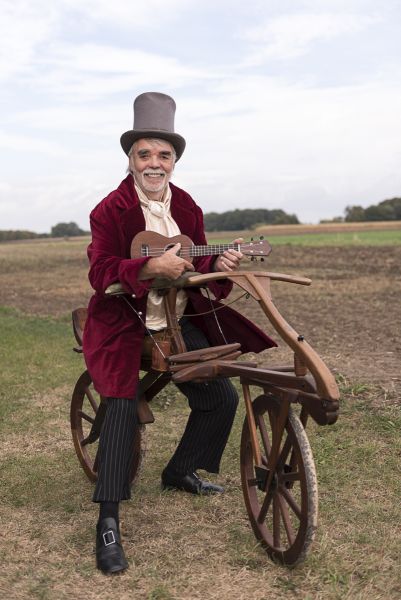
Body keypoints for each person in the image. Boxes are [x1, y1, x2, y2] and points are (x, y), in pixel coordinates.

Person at [83, 92, 276, 574]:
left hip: (179, 319)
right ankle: (108, 520)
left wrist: (222, 260)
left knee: (221, 398)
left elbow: (199, 259)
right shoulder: (110, 209)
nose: (154, 163)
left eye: (163, 155)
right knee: (123, 406)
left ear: (174, 160)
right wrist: (148, 265)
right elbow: (101, 270)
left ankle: (180, 470)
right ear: (130, 158)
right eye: (144, 153)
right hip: (124, 321)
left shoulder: (187, 206)